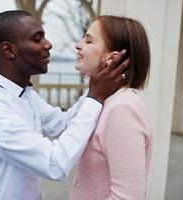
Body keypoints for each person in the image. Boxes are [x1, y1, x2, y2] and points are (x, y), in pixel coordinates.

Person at [0, 10, 129, 200]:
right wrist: (95, 97)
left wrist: (95, 86)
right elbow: (54, 164)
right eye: (37, 38)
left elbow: (63, 123)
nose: (48, 44)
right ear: (9, 50)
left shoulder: (24, 95)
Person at [68, 15, 153, 200]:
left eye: (88, 40)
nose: (78, 44)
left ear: (112, 58)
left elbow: (127, 197)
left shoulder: (123, 109)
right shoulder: (102, 100)